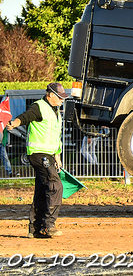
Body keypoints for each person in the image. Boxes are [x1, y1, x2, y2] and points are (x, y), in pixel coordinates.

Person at [7, 82, 67, 238]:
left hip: (48, 154)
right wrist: (14, 123)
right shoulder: (39, 107)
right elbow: (25, 117)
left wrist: (57, 155)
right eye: (60, 98)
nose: (62, 101)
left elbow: (55, 136)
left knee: (42, 189)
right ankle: (48, 226)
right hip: (38, 154)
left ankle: (35, 228)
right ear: (51, 95)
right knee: (55, 185)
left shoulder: (55, 111)